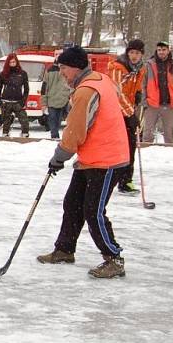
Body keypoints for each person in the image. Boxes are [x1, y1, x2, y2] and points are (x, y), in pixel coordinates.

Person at [37, 46, 129, 279]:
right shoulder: (100, 80)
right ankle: (65, 249)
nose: (62, 74)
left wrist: (59, 157)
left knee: (93, 210)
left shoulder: (86, 91)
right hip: (91, 158)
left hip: (107, 160)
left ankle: (113, 257)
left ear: (76, 67)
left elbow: (75, 132)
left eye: (64, 69)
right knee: (73, 203)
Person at [108, 39, 146, 194]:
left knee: (131, 144)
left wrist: (138, 94)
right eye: (131, 52)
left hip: (129, 109)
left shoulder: (140, 68)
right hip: (116, 112)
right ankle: (113, 178)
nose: (134, 56)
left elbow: (135, 87)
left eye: (137, 53)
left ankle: (126, 180)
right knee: (118, 147)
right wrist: (130, 114)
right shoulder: (118, 67)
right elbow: (117, 93)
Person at [142, 40, 173, 144]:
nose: (161, 52)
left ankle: (170, 153)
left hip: (169, 104)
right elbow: (143, 84)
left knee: (169, 133)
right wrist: (144, 101)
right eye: (159, 50)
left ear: (168, 50)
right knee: (148, 132)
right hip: (152, 103)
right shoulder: (149, 65)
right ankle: (146, 153)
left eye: (164, 50)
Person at [0, 53, 30, 137]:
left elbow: (26, 90)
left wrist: (23, 101)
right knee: (6, 122)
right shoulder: (3, 74)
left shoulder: (23, 74)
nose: (12, 64)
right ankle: (5, 135)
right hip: (6, 102)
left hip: (18, 102)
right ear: (8, 63)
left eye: (14, 62)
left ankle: (25, 135)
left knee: (24, 121)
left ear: (17, 62)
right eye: (10, 62)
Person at [41, 61, 71, 140]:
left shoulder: (49, 70)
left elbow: (44, 88)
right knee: (60, 120)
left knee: (53, 120)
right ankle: (60, 137)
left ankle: (55, 136)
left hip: (54, 99)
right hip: (63, 99)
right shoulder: (67, 70)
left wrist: (44, 103)